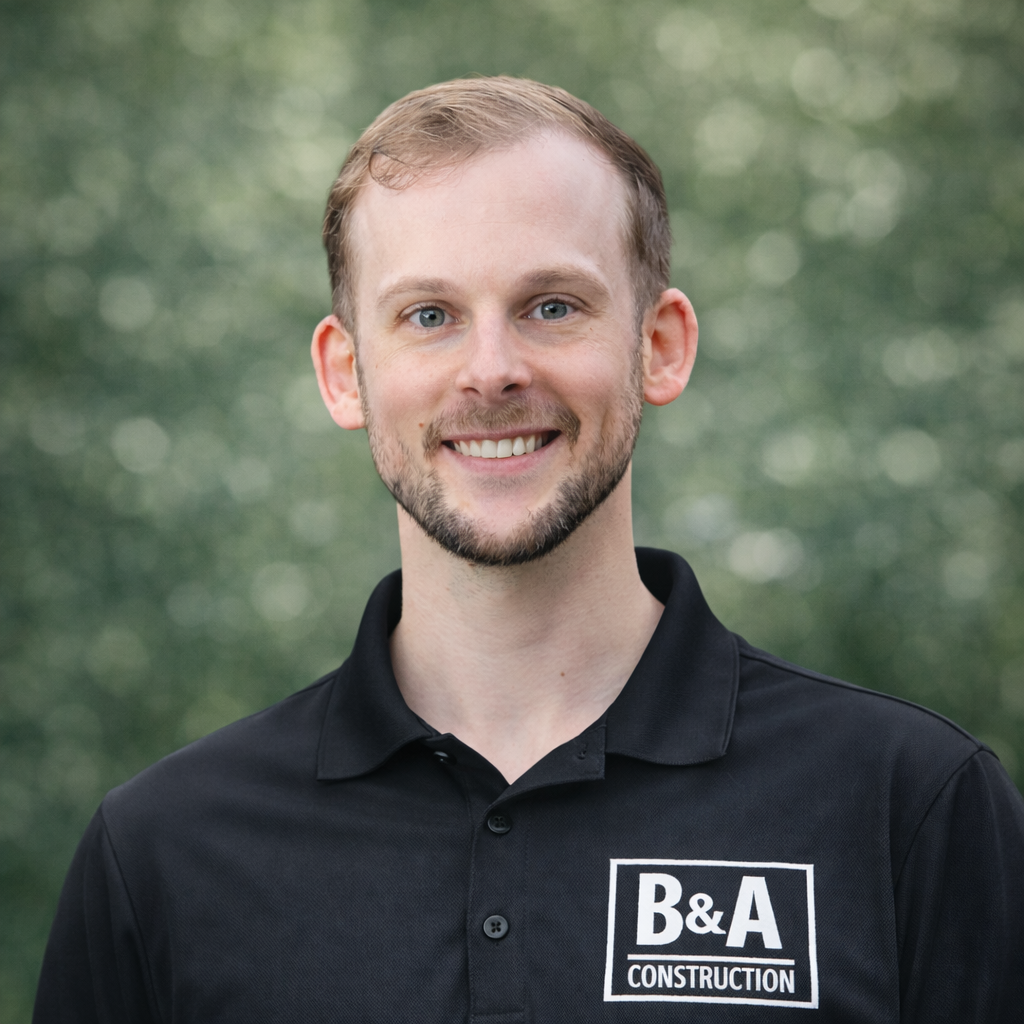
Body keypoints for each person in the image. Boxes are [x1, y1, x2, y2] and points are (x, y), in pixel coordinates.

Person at [35, 77, 1024, 1022]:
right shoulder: (163, 850)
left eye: (552, 305)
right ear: (345, 373)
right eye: (430, 316)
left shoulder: (909, 805)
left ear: (659, 346)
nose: (492, 370)